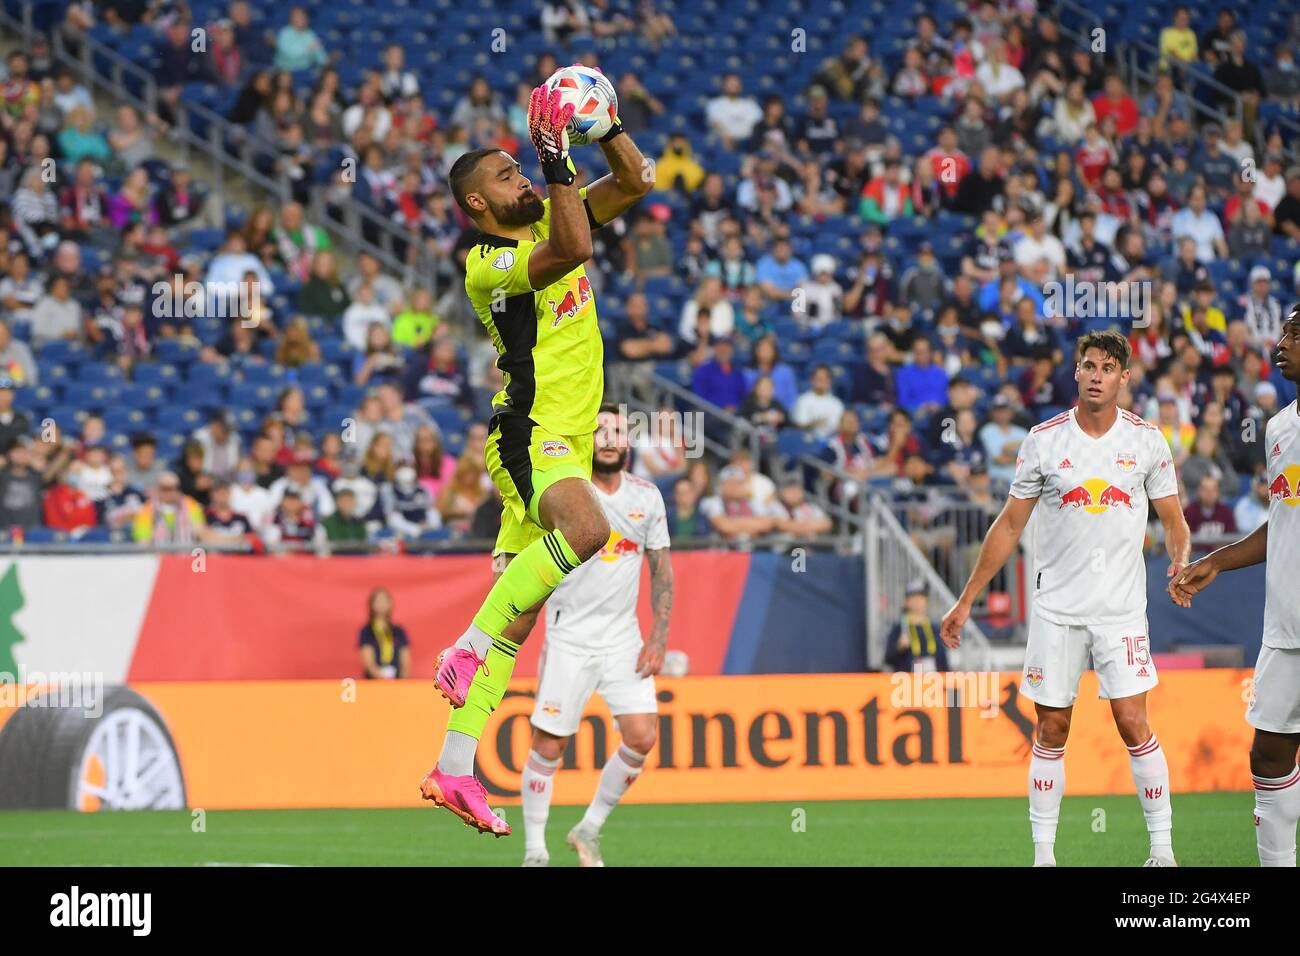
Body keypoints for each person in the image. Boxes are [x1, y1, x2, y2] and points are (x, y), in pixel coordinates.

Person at [422, 86, 651, 835]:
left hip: (566, 438)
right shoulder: (489, 261)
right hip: (530, 433)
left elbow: (636, 182)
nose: (521, 178)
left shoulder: (553, 215)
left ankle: (454, 771)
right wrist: (557, 156)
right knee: (588, 529)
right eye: (504, 176)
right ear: (477, 207)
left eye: (523, 167)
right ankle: (465, 642)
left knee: (519, 621)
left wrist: (606, 125)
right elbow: (576, 249)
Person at [941, 330, 1191, 868]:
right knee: (1051, 728)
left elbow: (1174, 519)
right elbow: (1009, 525)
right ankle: (1045, 857)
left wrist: (1179, 558)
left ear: (1125, 378)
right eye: (1088, 365)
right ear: (1076, 373)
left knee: (1132, 722)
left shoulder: (1147, 441)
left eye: (1108, 367)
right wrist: (966, 600)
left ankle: (1163, 852)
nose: (1097, 375)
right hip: (1056, 610)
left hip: (1121, 612)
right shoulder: (1044, 440)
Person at [1170, 305, 1300, 866]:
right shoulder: (1280, 427)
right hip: (1286, 624)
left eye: (1297, 332)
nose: (1283, 339)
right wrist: (1218, 560)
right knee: (1269, 751)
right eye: (1285, 328)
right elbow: (1285, 518)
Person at [520, 405, 672, 866]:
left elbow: (661, 569)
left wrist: (659, 635)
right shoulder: (568, 496)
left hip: (623, 638)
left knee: (643, 736)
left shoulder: (647, 498)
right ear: (587, 440)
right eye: (600, 430)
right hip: (569, 634)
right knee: (550, 745)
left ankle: (587, 830)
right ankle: (535, 852)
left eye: (618, 431)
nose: (610, 438)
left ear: (628, 441)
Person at [884, 583, 949, 673]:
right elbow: (888, 659)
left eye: (921, 598)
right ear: (906, 602)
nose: (918, 602)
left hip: (933, 681)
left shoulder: (935, 629)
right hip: (907, 682)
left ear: (926, 601)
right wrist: (899, 647)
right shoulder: (899, 629)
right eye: (913, 598)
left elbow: (943, 660)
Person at [358, 587, 411, 680]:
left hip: (397, 682)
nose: (381, 604)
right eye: (378, 600)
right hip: (373, 683)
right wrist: (382, 677)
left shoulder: (398, 631)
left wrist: (403, 681)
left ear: (390, 604)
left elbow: (406, 661)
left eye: (385, 600)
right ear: (371, 604)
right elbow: (368, 662)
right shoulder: (367, 631)